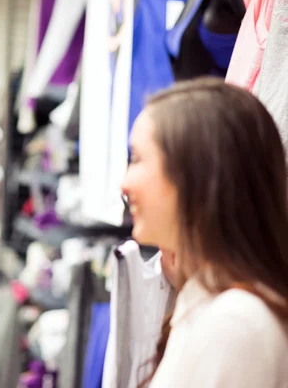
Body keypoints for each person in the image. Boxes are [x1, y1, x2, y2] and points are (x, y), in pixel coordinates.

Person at [121, 77, 288, 387]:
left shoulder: (235, 325)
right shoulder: (210, 306)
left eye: (137, 159)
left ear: (195, 176)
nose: (125, 184)